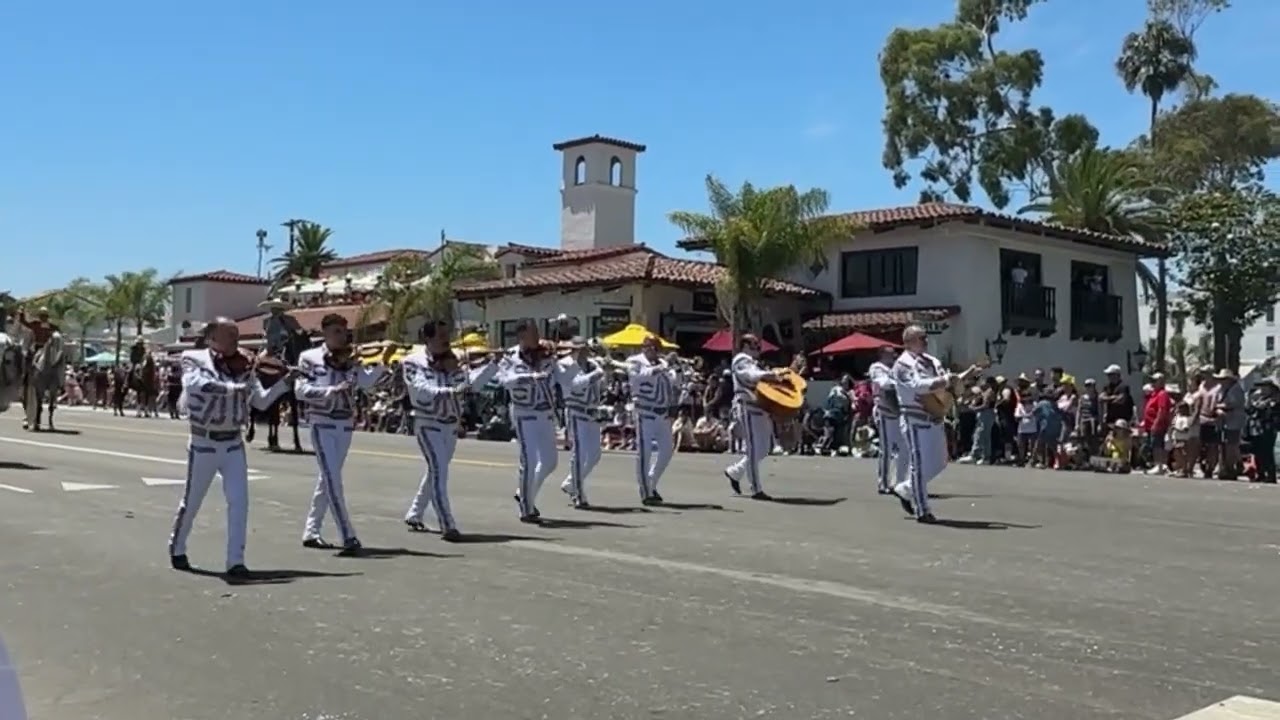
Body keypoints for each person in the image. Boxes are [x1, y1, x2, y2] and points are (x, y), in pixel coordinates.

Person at [167, 317, 294, 576]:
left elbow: (260, 401)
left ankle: (235, 560)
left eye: (237, 335)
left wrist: (283, 384)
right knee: (191, 501)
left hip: (233, 443)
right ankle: (177, 546)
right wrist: (233, 388)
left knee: (239, 502)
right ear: (213, 337)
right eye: (231, 336)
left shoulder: (244, 365)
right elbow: (196, 385)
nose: (237, 341)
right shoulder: (193, 358)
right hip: (204, 442)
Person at [296, 314, 388, 552]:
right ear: (325, 332)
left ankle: (311, 530)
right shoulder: (309, 357)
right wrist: (330, 391)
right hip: (321, 422)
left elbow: (366, 383)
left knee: (328, 479)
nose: (342, 336)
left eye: (344, 332)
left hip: (345, 423)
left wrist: (380, 363)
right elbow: (301, 390)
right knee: (333, 481)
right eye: (336, 331)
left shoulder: (351, 358)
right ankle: (347, 534)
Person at [401, 320, 499, 539]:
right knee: (439, 473)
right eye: (441, 335)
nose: (446, 340)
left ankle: (415, 513)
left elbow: (472, 384)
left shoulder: (453, 361)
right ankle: (448, 524)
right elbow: (419, 389)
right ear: (428, 338)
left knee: (437, 471)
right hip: (428, 423)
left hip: (451, 424)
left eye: (447, 334)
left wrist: (492, 365)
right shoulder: (412, 361)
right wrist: (450, 390)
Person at [891, 325, 977, 523]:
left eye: (926, 337)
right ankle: (923, 510)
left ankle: (905, 489)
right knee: (919, 465)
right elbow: (918, 386)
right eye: (922, 338)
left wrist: (964, 376)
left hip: (936, 416)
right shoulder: (902, 364)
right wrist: (947, 380)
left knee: (939, 463)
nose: (926, 341)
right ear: (909, 341)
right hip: (915, 419)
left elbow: (945, 384)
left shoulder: (933, 361)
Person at [496, 319, 561, 522]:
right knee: (529, 461)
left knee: (550, 461)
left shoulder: (547, 354)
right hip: (525, 414)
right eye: (533, 334)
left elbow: (558, 375)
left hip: (546, 413)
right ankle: (526, 508)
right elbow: (504, 381)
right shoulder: (510, 357)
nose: (538, 338)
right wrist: (529, 378)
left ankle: (524, 492)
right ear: (522, 337)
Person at [723, 334, 784, 500]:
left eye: (758, 344)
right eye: (754, 344)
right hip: (747, 408)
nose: (758, 347)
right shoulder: (741, 359)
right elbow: (749, 375)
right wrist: (767, 375)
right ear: (745, 345)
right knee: (753, 448)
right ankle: (756, 489)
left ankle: (735, 472)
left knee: (763, 449)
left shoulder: (753, 362)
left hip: (760, 408)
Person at [556, 338, 609, 508]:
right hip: (576, 411)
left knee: (594, 455)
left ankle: (570, 483)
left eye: (586, 348)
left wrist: (605, 370)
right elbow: (576, 385)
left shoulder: (592, 364)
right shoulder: (565, 365)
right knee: (578, 454)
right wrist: (597, 374)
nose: (586, 351)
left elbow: (601, 387)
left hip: (592, 412)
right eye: (581, 348)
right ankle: (578, 493)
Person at [628, 334, 679, 505]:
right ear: (645, 347)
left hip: (662, 414)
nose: (655, 352)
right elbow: (639, 377)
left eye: (657, 348)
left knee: (667, 450)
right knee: (645, 453)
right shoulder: (635, 361)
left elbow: (675, 383)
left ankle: (651, 482)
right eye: (652, 347)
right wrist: (661, 368)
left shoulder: (662, 363)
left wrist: (677, 368)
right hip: (645, 412)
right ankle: (645, 492)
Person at [868, 346, 906, 492]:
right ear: (882, 354)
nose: (894, 355)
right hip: (884, 412)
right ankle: (883, 483)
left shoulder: (895, 369)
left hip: (898, 413)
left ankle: (898, 481)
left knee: (901, 448)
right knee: (887, 448)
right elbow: (884, 384)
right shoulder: (877, 368)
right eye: (891, 353)